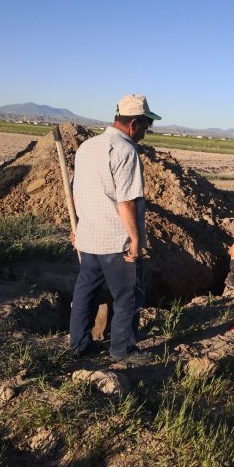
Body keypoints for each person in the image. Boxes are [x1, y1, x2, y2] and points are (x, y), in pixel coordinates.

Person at [69, 94, 161, 363]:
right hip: (115, 242)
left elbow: (77, 193)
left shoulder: (88, 147)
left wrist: (80, 225)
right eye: (145, 125)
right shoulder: (126, 151)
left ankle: (79, 346)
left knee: (85, 292)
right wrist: (135, 239)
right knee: (128, 297)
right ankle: (123, 351)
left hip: (89, 238)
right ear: (133, 124)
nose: (146, 132)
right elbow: (127, 201)